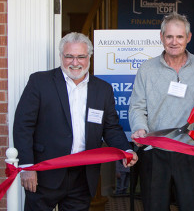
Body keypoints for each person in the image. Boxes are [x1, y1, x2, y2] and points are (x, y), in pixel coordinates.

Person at [13, 32, 138, 211]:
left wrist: (125, 150)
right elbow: (23, 125)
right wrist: (27, 166)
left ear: (89, 57)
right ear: (61, 56)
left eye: (81, 56)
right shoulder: (40, 82)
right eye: (69, 56)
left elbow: (110, 127)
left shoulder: (102, 89)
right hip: (44, 174)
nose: (75, 62)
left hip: (83, 176)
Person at [129, 12, 194, 211]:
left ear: (188, 38)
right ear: (161, 38)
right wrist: (140, 129)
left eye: (179, 37)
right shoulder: (146, 69)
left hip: (190, 151)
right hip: (154, 152)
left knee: (192, 206)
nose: (174, 42)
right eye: (169, 36)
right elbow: (137, 107)